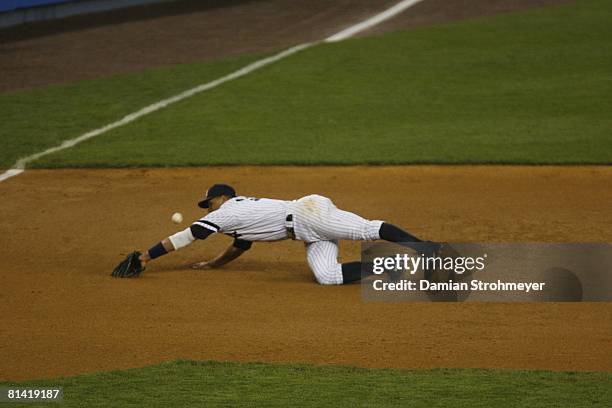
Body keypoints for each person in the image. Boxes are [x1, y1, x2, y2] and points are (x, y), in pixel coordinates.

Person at [138, 183, 439, 285]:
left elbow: (186, 236)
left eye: (209, 203)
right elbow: (241, 245)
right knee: (327, 277)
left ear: (222, 198)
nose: (207, 209)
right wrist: (213, 264)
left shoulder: (227, 211)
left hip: (310, 214)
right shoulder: (240, 216)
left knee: (366, 229)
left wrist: (146, 256)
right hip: (307, 227)